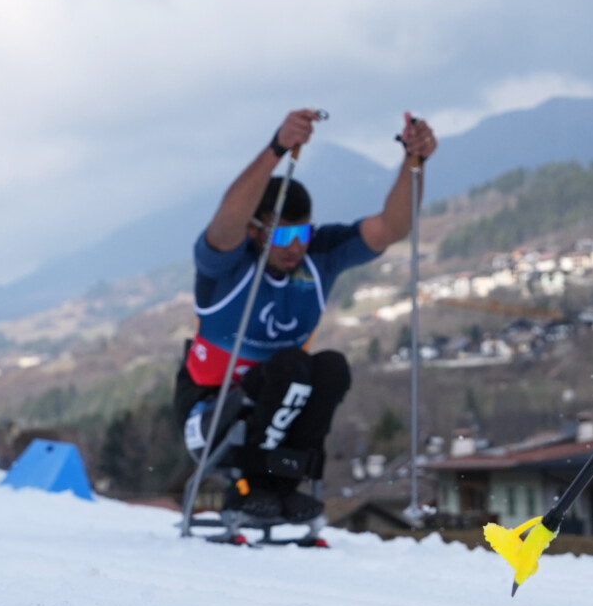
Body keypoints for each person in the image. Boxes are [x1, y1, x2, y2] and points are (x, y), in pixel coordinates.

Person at [173, 107, 439, 525]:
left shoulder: (319, 256)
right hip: (211, 411)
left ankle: (282, 485)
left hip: (280, 394)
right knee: (293, 366)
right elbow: (226, 220)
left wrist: (413, 161)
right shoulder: (225, 265)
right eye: (282, 235)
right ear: (255, 230)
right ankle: (248, 489)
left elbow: (391, 227)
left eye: (302, 233)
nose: (296, 247)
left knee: (330, 367)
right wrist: (278, 147)